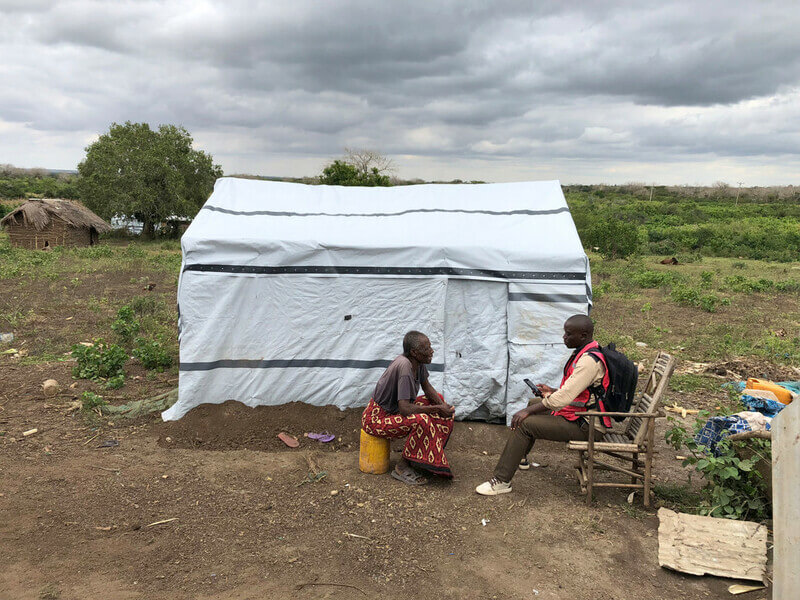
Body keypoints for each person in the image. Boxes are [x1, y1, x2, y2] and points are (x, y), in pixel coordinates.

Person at [475, 314, 610, 496]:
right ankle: (520, 456)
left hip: (589, 425)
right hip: (582, 415)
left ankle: (501, 481)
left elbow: (561, 400)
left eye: (568, 334)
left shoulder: (589, 361)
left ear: (583, 335)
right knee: (534, 402)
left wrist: (527, 411)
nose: (564, 337)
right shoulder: (586, 352)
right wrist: (552, 390)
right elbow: (578, 392)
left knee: (525, 422)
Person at [361, 331, 456, 484]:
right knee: (422, 420)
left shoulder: (417, 363)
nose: (431, 351)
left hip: (394, 412)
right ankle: (403, 466)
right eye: (427, 348)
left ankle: (420, 460)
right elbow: (405, 408)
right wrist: (438, 409)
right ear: (414, 352)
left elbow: (427, 387)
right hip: (376, 419)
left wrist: (442, 405)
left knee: (438, 400)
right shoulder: (405, 367)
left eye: (430, 347)